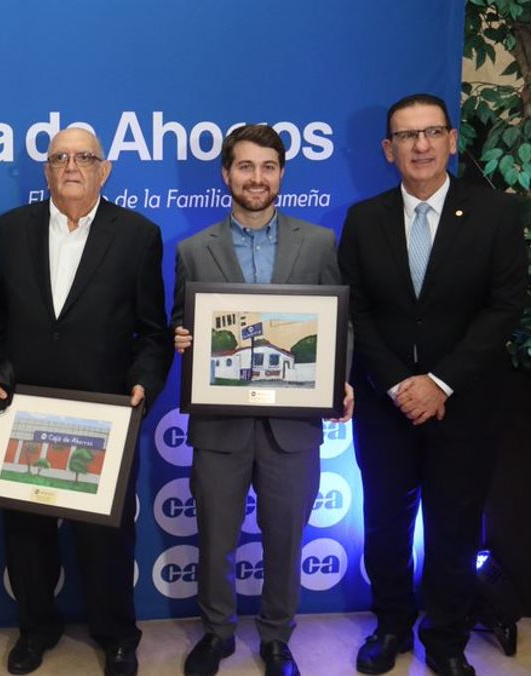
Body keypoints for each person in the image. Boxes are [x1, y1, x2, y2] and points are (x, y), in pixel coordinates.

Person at [338, 93, 527, 676]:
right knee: (386, 526)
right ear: (388, 149)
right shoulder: (363, 218)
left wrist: (439, 383)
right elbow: (356, 311)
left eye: (432, 132)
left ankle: (444, 641)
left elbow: (505, 308)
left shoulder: (497, 214)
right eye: (407, 136)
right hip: (385, 403)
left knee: (454, 525)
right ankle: (391, 625)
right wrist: (398, 383)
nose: (420, 145)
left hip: (465, 403)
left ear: (451, 140)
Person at [0, 127, 170, 676]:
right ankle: (36, 629)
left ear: (104, 170)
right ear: (45, 171)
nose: (72, 166)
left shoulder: (137, 234)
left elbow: (153, 332)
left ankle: (116, 636)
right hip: (25, 411)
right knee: (27, 533)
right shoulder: (11, 230)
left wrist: (144, 384)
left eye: (84, 157)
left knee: (104, 539)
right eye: (60, 157)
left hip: (104, 413)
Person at [171, 125, 353, 676]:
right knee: (216, 538)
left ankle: (277, 638)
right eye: (245, 166)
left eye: (268, 166)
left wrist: (337, 378)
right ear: (226, 174)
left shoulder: (318, 243)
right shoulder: (191, 250)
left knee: (285, 539)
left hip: (291, 425)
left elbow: (339, 329)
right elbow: (181, 320)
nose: (257, 178)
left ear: (281, 174)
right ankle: (218, 634)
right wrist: (182, 335)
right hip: (220, 425)